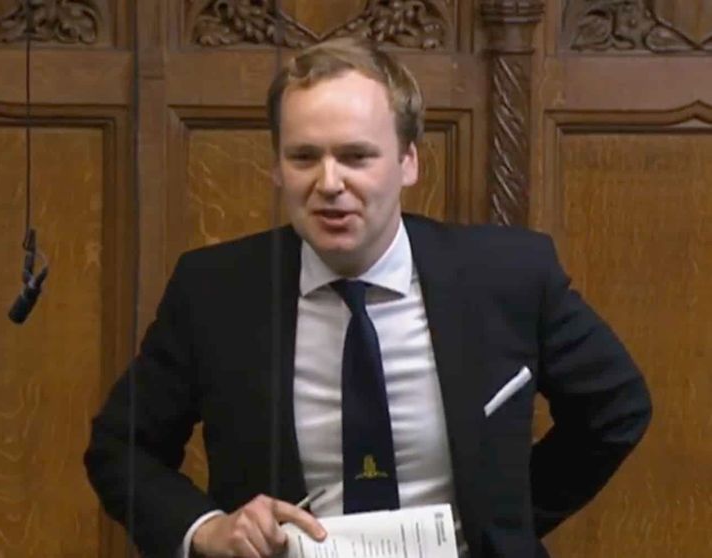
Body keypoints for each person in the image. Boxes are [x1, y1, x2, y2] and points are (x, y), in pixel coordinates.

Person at [84, 37, 652, 558]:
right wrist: (208, 529)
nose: (329, 183)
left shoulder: (508, 276)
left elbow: (616, 408)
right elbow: (120, 448)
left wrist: (502, 522)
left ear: (408, 162)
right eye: (304, 157)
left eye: (356, 156)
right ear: (276, 167)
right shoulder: (214, 291)